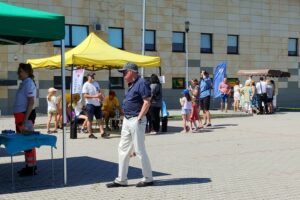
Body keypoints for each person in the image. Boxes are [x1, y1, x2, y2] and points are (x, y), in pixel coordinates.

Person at [106, 62, 153, 188]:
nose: (123, 75)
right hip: (128, 120)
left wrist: (139, 118)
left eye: (124, 72)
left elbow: (147, 102)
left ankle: (148, 178)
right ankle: (121, 179)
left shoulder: (142, 83)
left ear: (132, 72)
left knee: (139, 150)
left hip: (135, 120)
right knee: (122, 148)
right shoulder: (132, 84)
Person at [13, 63, 37, 176]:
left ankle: (31, 167)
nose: (19, 73)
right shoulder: (24, 83)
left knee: (27, 141)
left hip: (24, 116)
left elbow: (31, 102)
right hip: (20, 116)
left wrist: (25, 119)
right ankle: (28, 165)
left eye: (21, 71)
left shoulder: (28, 83)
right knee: (24, 142)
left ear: (27, 72)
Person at [82, 72, 108, 139]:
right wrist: (95, 96)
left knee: (99, 119)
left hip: (97, 104)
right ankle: (90, 134)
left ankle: (102, 132)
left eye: (93, 76)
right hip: (90, 104)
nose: (93, 77)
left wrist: (101, 97)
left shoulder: (96, 83)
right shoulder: (86, 85)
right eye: (91, 76)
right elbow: (85, 95)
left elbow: (99, 92)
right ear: (88, 77)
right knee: (90, 119)